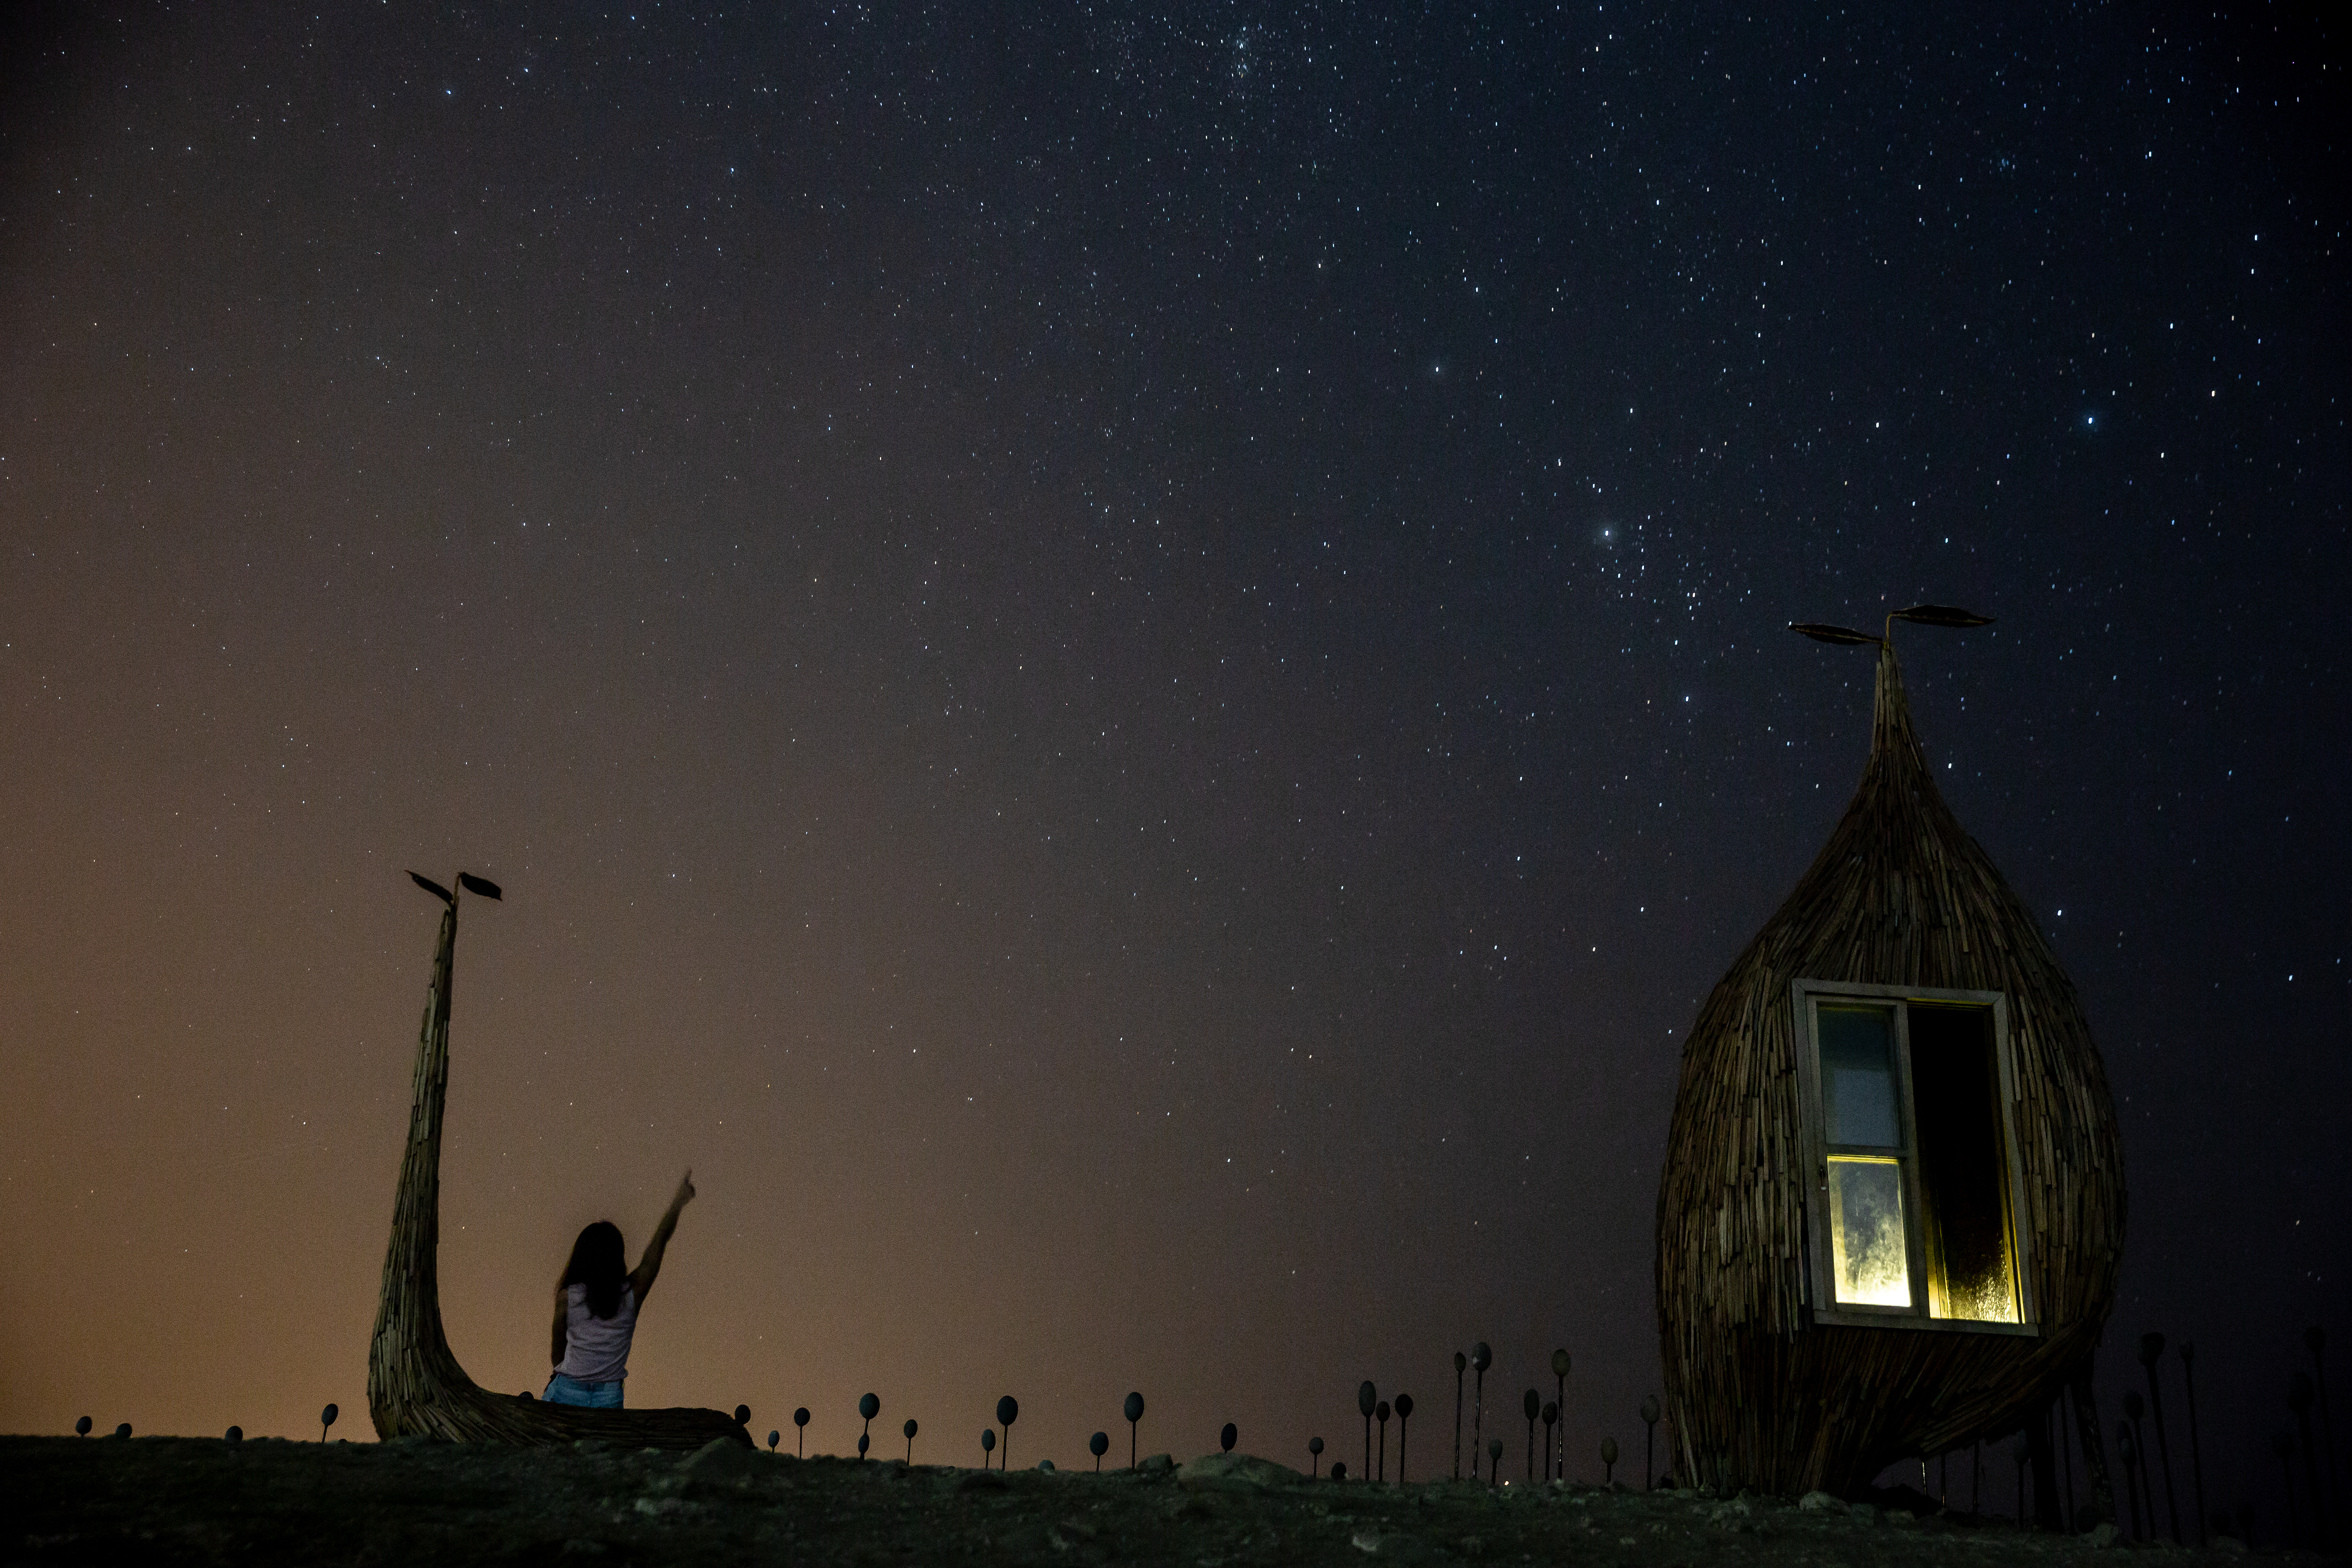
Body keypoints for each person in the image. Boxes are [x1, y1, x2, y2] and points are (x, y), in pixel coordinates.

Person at [543, 1169, 695, 1408]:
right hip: (609, 1397)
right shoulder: (632, 1294)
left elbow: (557, 1354)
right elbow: (658, 1244)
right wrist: (677, 1204)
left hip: (568, 1392)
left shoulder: (568, 1298)